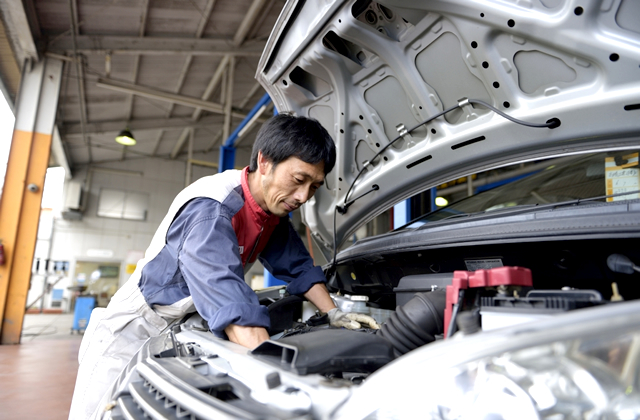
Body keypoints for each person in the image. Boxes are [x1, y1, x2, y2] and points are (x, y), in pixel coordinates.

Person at [69, 114, 379, 419]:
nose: (303, 197)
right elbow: (228, 297)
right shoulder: (211, 209)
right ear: (265, 162)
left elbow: (298, 267)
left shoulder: (270, 210)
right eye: (298, 180)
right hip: (134, 329)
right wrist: (280, 382)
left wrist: (334, 313)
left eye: (314, 186)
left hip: (182, 326)